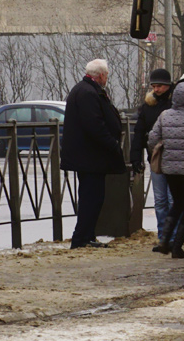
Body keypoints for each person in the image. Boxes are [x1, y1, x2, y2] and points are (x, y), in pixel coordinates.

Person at [60, 59, 126, 249]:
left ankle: (86, 236)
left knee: (92, 197)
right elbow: (94, 125)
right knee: (91, 198)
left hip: (89, 157)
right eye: (107, 75)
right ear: (102, 75)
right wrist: (112, 144)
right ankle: (81, 238)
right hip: (90, 157)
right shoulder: (88, 92)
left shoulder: (85, 89)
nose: (107, 78)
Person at [130, 68, 174, 253]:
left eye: (160, 86)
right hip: (155, 158)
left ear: (168, 86)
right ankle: (163, 237)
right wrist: (135, 157)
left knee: (171, 200)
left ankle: (173, 237)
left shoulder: (175, 104)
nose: (156, 89)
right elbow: (139, 132)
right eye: (154, 86)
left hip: (174, 158)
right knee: (161, 200)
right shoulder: (148, 106)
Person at [147, 81, 184, 259]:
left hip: (169, 168)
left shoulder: (164, 115)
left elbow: (152, 138)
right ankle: (177, 246)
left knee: (177, 204)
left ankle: (164, 240)